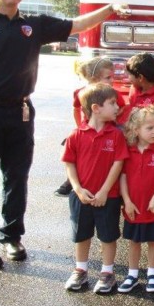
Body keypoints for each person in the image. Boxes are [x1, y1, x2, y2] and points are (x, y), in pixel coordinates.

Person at [0, 0, 122, 269]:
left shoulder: (33, 25)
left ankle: (12, 236)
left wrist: (109, 9)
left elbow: (78, 24)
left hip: (20, 112)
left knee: (17, 179)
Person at [62, 83, 129, 293]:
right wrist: (78, 190)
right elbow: (69, 164)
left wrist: (104, 191)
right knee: (81, 235)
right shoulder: (76, 135)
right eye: (112, 103)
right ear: (96, 108)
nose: (117, 107)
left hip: (107, 197)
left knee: (108, 236)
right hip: (81, 196)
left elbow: (118, 164)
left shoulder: (116, 135)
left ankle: (107, 273)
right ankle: (80, 271)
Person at [119, 105, 154, 293]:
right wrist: (126, 201)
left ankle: (152, 273)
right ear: (136, 130)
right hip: (133, 207)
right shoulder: (129, 151)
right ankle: (133, 274)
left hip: (153, 208)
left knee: (153, 241)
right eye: (149, 128)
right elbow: (123, 177)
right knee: (134, 242)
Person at [54, 57, 128, 197]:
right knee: (76, 154)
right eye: (108, 77)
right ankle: (71, 183)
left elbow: (122, 107)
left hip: (108, 129)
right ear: (94, 79)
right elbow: (76, 109)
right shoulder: (81, 92)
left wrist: (114, 117)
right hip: (87, 130)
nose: (111, 81)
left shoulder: (112, 93)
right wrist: (79, 126)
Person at [119, 52, 154, 123]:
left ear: (140, 77)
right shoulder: (133, 88)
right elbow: (130, 104)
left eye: (129, 74)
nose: (128, 77)